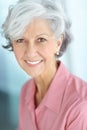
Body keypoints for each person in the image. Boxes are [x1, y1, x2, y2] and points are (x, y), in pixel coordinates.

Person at [1, 0, 87, 130]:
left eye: (41, 39)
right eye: (20, 40)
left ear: (58, 42)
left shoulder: (80, 106)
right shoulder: (26, 91)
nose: (30, 53)